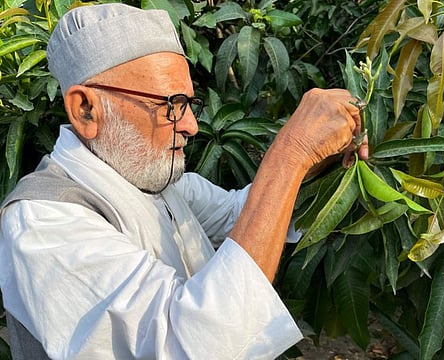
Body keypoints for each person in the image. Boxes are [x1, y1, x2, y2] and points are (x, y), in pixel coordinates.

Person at [0, 3, 369, 360]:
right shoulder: (41, 222)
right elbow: (192, 347)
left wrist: (320, 163)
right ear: (86, 109)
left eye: (189, 104)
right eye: (171, 105)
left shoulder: (160, 186)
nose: (191, 125)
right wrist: (291, 152)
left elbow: (244, 215)